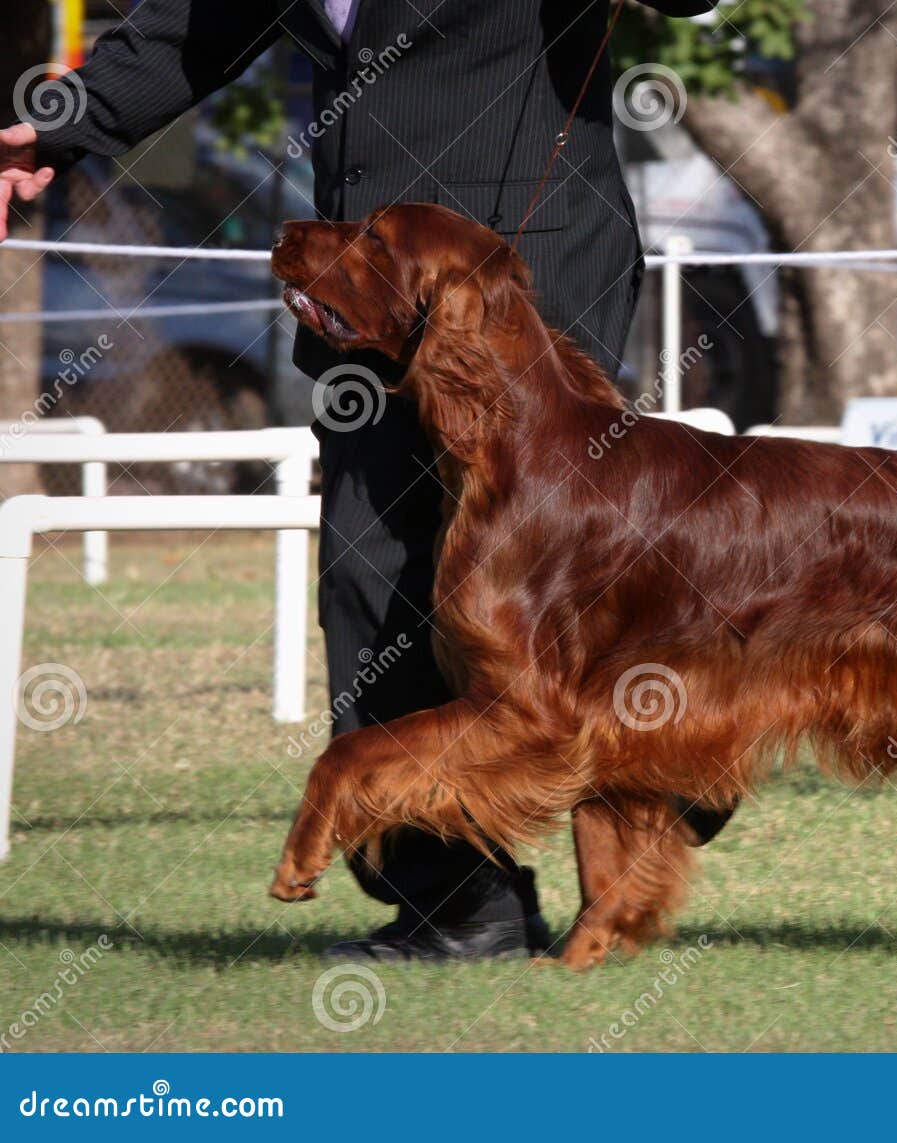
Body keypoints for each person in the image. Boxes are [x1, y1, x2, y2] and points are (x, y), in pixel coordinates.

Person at [0, 0, 734, 962]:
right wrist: (61, 122)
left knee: (561, 594)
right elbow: (195, 26)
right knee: (371, 574)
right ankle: (461, 908)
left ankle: (687, 759)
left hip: (522, 273)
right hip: (366, 285)